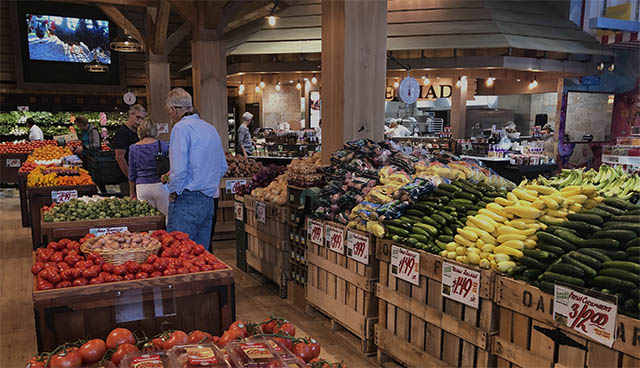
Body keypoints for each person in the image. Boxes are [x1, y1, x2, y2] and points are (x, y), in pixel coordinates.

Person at [165, 88, 227, 249]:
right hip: (208, 200)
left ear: (173, 109)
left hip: (187, 200)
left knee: (177, 255)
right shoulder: (210, 128)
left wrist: (172, 190)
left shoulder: (180, 129)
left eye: (169, 111)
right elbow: (222, 167)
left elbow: (178, 171)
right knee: (200, 257)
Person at [128, 118, 169, 216]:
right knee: (167, 216)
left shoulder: (133, 148)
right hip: (160, 185)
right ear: (155, 130)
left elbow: (132, 172)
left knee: (148, 218)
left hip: (142, 187)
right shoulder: (163, 145)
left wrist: (132, 191)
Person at [113, 104, 147, 196]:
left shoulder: (137, 133)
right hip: (126, 178)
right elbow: (119, 157)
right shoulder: (122, 133)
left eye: (142, 119)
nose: (140, 121)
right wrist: (131, 177)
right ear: (130, 115)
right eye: (137, 117)